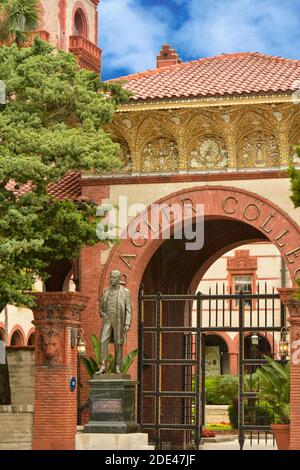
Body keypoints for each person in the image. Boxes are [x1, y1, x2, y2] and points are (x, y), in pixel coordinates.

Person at [98, 270, 132, 374]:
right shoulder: (105, 291)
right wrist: (102, 314)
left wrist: (127, 323)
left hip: (118, 320)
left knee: (118, 343)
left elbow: (128, 309)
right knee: (103, 341)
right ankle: (103, 366)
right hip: (107, 319)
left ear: (118, 279)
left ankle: (118, 366)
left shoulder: (125, 292)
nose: (111, 279)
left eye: (114, 278)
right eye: (111, 277)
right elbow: (101, 307)